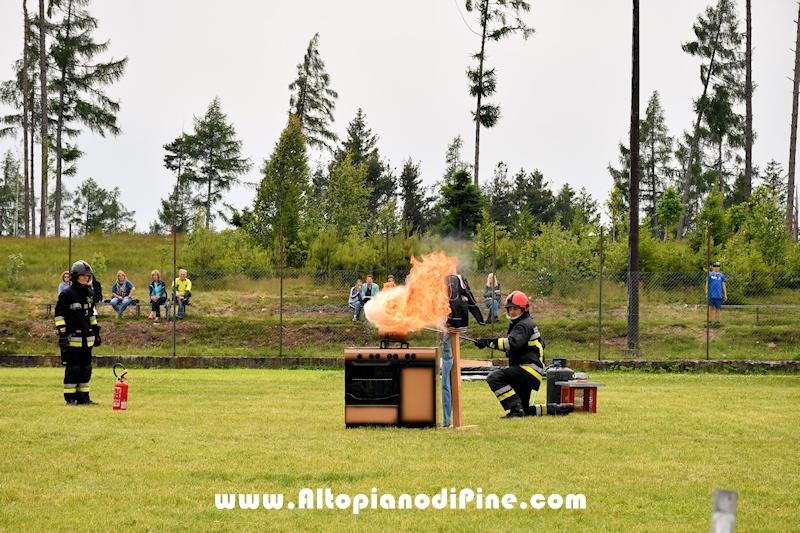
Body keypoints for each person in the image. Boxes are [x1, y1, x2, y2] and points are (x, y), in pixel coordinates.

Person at [476, 291, 573, 418]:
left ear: (524, 309)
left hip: (527, 371)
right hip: (530, 371)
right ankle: (557, 409)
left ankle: (515, 408)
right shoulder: (523, 323)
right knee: (525, 410)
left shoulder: (523, 325)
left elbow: (512, 343)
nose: (512, 312)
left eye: (515, 308)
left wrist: (489, 342)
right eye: (510, 309)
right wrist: (486, 342)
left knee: (494, 377)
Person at [441, 268, 484, 427]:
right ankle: (447, 421)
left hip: (448, 329)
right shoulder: (460, 280)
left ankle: (447, 422)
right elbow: (471, 301)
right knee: (447, 375)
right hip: (455, 326)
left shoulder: (445, 281)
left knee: (446, 375)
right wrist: (480, 319)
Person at [55, 260, 101, 405]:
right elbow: (59, 315)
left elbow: (92, 315)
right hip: (72, 339)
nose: (86, 278)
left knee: (86, 368)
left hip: (87, 339)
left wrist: (96, 332)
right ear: (75, 276)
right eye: (83, 275)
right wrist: (62, 334)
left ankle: (84, 398)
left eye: (88, 276)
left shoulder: (90, 293)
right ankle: (70, 398)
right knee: (73, 368)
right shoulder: (67, 294)